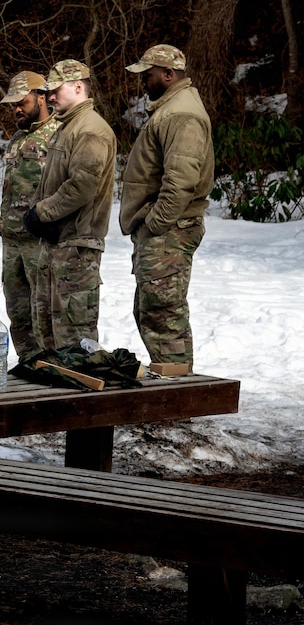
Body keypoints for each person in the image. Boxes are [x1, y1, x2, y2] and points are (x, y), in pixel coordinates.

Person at [119, 44, 215, 376]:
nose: (143, 81)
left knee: (163, 313)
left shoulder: (181, 114)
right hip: (164, 230)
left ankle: (175, 399)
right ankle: (170, 392)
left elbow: (182, 178)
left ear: (168, 74)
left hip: (169, 229)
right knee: (152, 310)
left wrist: (155, 224)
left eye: (148, 75)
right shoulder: (171, 109)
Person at [24, 60, 116, 352]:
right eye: (48, 91)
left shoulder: (90, 130)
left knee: (75, 342)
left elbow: (82, 185)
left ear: (78, 87)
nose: (50, 97)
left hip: (76, 248)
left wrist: (42, 214)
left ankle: (81, 398)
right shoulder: (66, 128)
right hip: (58, 244)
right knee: (49, 338)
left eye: (56, 90)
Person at [0, 71, 57, 359]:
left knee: (43, 311)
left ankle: (50, 368)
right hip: (12, 241)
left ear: (42, 98)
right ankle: (27, 366)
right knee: (17, 312)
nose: (17, 109)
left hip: (39, 241)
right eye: (13, 105)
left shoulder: (58, 134)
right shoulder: (18, 138)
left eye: (22, 102)